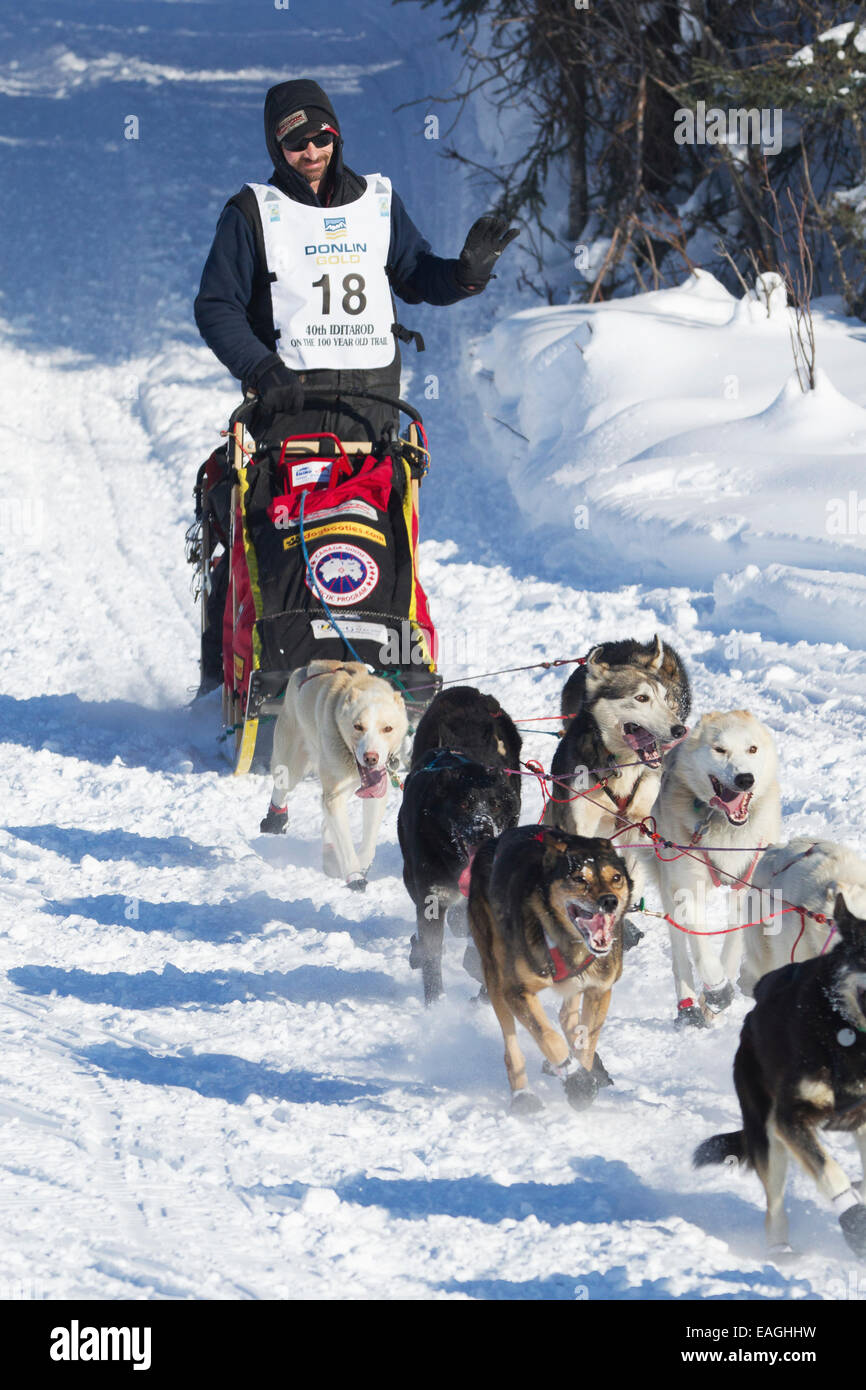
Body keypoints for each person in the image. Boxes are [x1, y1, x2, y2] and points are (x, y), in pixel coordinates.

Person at [193, 77, 517, 692]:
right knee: (271, 541)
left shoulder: (376, 202)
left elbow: (418, 276)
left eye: (320, 136)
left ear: (335, 133)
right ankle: (241, 673)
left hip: (372, 415)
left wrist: (467, 275)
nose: (311, 152)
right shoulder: (250, 212)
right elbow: (216, 307)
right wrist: (262, 370)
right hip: (289, 410)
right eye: (294, 144)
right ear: (276, 147)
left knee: (377, 541)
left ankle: (389, 672)